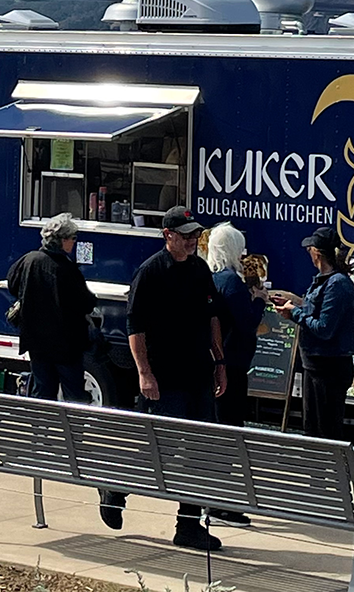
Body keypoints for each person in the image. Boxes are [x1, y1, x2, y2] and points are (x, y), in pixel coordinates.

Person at [99, 205, 228, 552]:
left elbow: (211, 316)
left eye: (196, 235)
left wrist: (220, 362)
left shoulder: (201, 270)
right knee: (159, 448)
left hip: (198, 374)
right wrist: (144, 373)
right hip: (163, 377)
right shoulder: (150, 272)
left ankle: (188, 525)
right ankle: (116, 487)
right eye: (185, 236)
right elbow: (135, 326)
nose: (192, 241)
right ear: (167, 236)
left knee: (201, 450)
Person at [204, 221, 268, 527]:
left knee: (220, 428)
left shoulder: (212, 278)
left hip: (216, 363)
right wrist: (259, 300)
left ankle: (214, 499)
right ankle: (223, 504)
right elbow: (246, 322)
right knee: (231, 431)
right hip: (233, 364)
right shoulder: (232, 282)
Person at [273, 226, 354, 440]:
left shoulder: (337, 284)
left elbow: (324, 328)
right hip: (316, 366)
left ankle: (331, 472)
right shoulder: (324, 279)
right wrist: (293, 305)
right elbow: (316, 312)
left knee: (325, 431)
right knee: (312, 429)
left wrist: (295, 313)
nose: (308, 252)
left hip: (329, 368)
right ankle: (320, 470)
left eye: (309, 249)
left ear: (317, 252)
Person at [7, 213, 98, 402]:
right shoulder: (66, 268)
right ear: (62, 239)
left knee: (42, 392)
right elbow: (86, 302)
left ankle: (42, 430)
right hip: (65, 343)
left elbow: (12, 285)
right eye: (73, 238)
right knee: (74, 394)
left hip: (36, 341)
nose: (74, 242)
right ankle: (73, 431)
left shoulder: (29, 260)